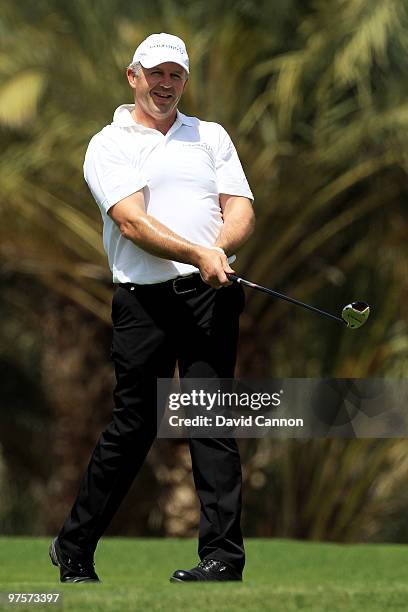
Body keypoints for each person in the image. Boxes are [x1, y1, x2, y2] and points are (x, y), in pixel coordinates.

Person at [49, 32, 255, 584]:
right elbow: (130, 222)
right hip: (144, 303)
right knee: (136, 425)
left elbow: (238, 205)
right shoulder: (109, 144)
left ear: (185, 80)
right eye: (156, 73)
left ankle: (223, 559)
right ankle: (74, 547)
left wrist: (220, 250)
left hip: (211, 297)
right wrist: (196, 252)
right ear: (132, 76)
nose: (166, 84)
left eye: (176, 75)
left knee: (212, 421)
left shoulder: (209, 136)